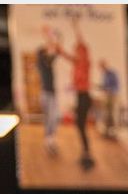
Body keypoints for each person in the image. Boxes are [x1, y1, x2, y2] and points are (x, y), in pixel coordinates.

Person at [55, 16, 94, 170]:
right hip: (80, 97)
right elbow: (65, 55)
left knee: (80, 125)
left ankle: (86, 152)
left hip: (84, 97)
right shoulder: (77, 63)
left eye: (77, 50)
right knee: (79, 125)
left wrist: (75, 26)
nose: (75, 52)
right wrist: (59, 50)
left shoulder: (84, 61)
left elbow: (80, 42)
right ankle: (86, 152)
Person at [37, 26, 60, 155]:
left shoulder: (47, 63)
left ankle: (50, 140)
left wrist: (49, 36)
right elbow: (51, 48)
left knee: (52, 118)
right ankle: (49, 140)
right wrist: (48, 35)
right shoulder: (42, 63)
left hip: (49, 93)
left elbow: (54, 50)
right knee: (52, 117)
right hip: (47, 94)